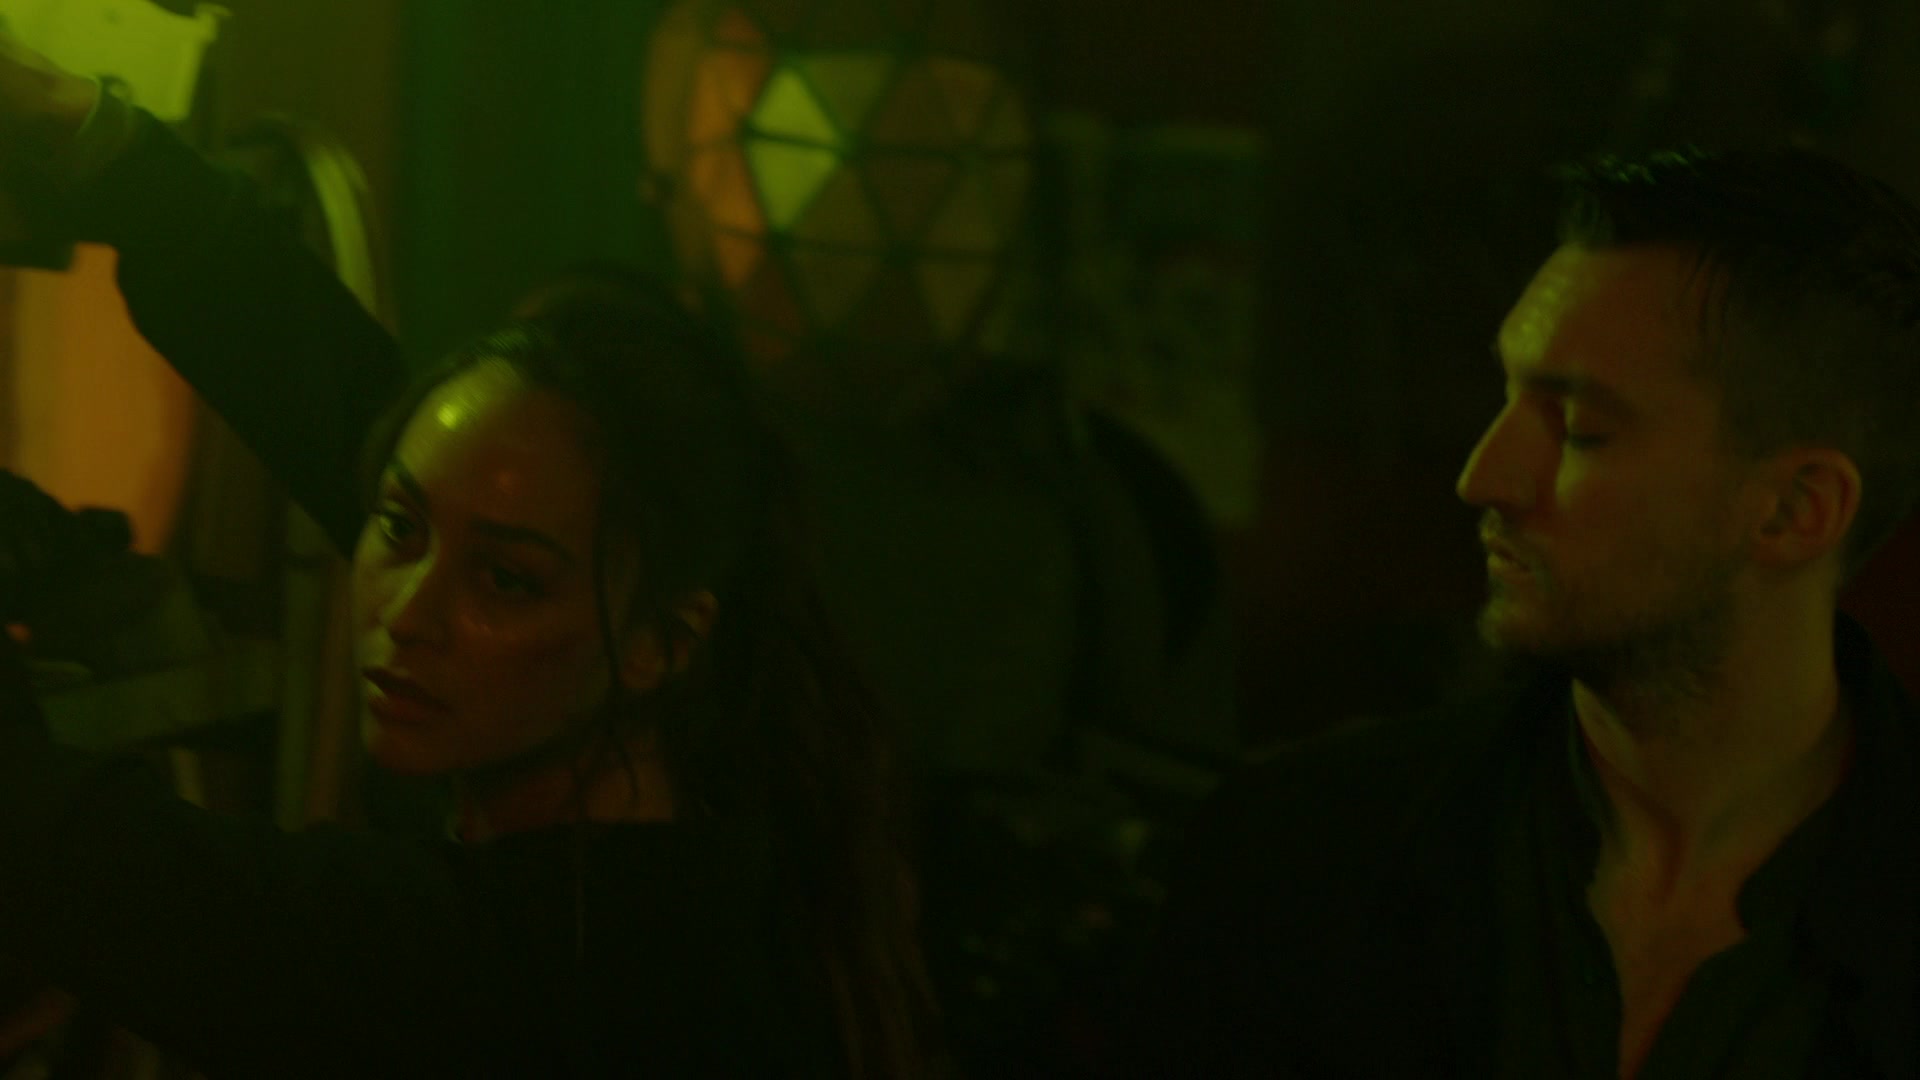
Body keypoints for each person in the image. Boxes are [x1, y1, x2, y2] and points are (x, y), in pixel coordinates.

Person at [0, 36, 937, 1079]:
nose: (409, 612)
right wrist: (95, 135)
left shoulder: (542, 978)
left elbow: (53, 846)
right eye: (399, 532)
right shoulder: (700, 825)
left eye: (506, 583)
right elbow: (358, 416)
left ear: (663, 643)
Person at [1127, 146, 1920, 1078]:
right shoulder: (1301, 858)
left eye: (1582, 430)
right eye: (1506, 397)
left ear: (1793, 511)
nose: (1484, 477)